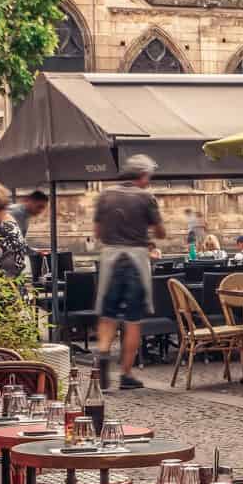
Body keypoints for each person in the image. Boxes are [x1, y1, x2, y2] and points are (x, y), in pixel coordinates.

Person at [94, 154, 166, 390]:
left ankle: (103, 353)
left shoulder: (105, 195)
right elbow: (160, 232)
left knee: (108, 314)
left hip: (111, 257)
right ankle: (126, 374)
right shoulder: (146, 197)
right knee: (134, 319)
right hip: (136, 258)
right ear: (143, 176)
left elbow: (97, 232)